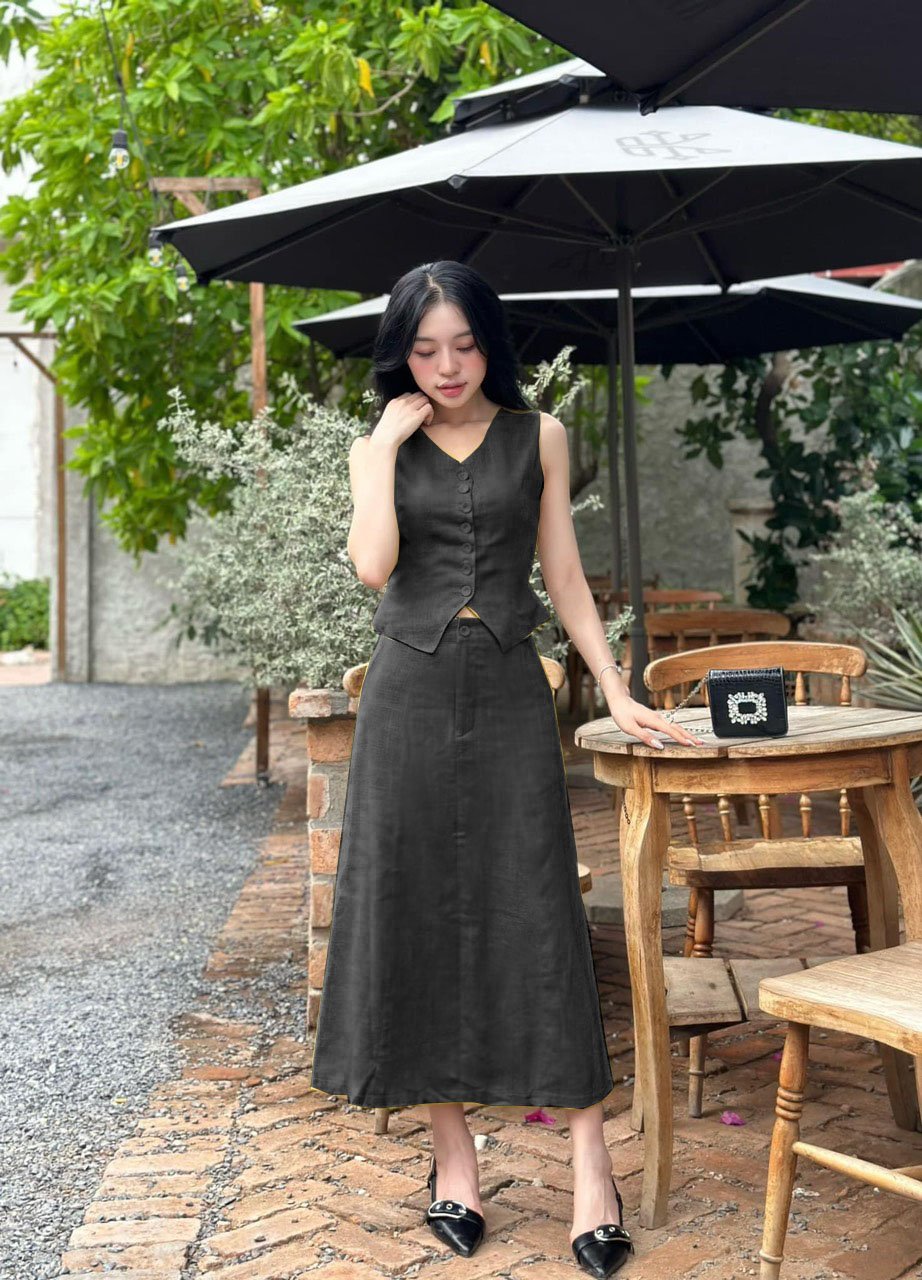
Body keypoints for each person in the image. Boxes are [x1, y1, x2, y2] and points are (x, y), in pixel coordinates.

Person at [307, 260, 704, 1276]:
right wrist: (379, 451)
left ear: (490, 343)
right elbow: (373, 567)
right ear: (402, 354)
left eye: (464, 344)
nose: (446, 366)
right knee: (416, 912)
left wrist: (613, 686)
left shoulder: (541, 436)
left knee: (538, 912)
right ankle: (455, 1163)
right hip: (405, 699)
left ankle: (591, 1169)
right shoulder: (378, 447)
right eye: (424, 349)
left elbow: (561, 570)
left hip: (509, 695)